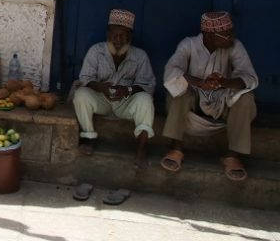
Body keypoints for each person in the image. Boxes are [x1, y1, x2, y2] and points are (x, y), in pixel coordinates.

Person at [161, 11, 258, 181]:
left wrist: (224, 83)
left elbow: (249, 77)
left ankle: (232, 156)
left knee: (246, 98)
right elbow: (171, 72)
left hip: (223, 102)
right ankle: (176, 149)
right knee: (178, 90)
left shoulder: (235, 46)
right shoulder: (188, 45)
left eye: (231, 33)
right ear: (209, 35)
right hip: (194, 102)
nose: (232, 37)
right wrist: (200, 83)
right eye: (227, 34)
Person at [71, 9, 156, 166]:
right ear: (108, 35)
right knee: (81, 94)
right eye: (114, 35)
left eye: (123, 35)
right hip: (101, 99)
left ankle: (142, 148)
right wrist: (101, 87)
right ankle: (89, 138)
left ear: (130, 36)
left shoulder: (140, 56)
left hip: (126, 102)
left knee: (145, 99)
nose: (118, 39)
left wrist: (128, 90)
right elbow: (85, 78)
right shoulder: (96, 51)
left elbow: (148, 85)